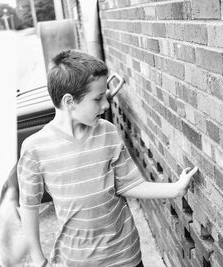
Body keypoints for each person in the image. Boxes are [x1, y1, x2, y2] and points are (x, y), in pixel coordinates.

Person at [17, 49, 198, 267]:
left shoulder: (107, 132)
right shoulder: (35, 148)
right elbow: (29, 206)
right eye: (97, 98)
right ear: (69, 101)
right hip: (78, 260)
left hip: (125, 255)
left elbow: (129, 184)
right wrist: (38, 260)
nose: (106, 104)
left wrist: (176, 189)